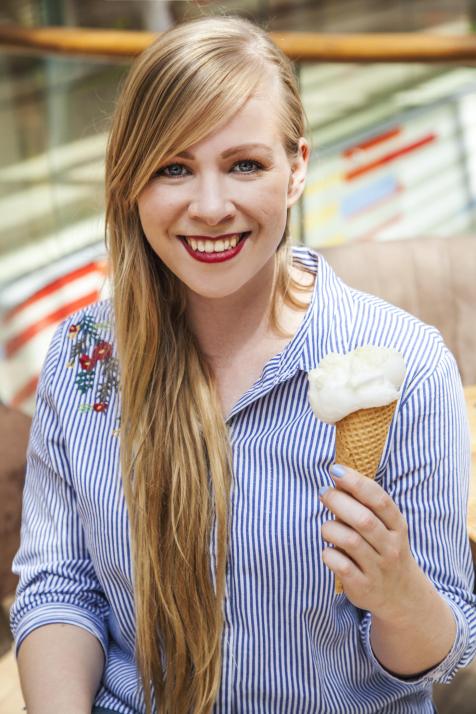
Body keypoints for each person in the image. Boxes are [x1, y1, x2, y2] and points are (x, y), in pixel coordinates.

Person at [9, 13, 476, 714]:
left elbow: (433, 659)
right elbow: (58, 590)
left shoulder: (407, 365)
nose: (210, 206)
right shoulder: (84, 358)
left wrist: (400, 593)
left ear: (297, 170)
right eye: (173, 167)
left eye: (245, 165)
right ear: (133, 182)